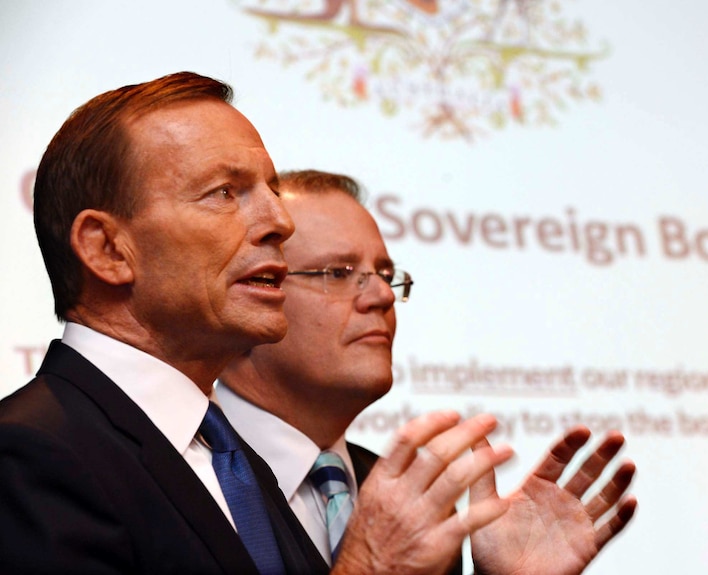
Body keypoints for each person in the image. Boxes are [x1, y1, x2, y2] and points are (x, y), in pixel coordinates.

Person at [0, 73, 514, 574]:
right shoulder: (25, 454)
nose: (279, 222)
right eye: (225, 192)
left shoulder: (233, 458)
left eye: (269, 190)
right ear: (107, 249)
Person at [218, 169, 638, 574]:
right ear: (253, 291)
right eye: (339, 273)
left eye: (384, 274)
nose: (382, 295)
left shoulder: (415, 505)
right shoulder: (182, 472)